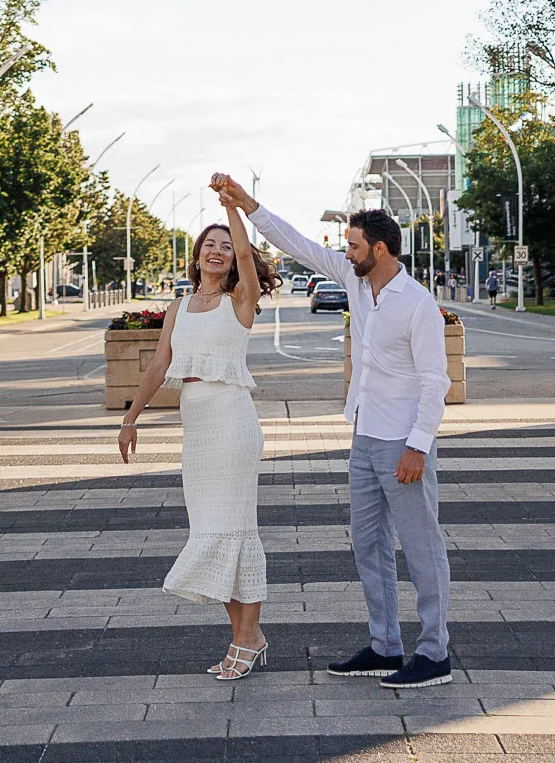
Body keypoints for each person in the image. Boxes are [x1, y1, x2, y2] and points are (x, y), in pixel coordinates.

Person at [211, 170, 452, 691]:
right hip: (365, 435)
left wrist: (418, 446)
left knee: (420, 545)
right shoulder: (355, 283)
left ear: (382, 249)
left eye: (354, 246)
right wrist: (248, 204)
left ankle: (435, 651)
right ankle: (386, 647)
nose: (346, 253)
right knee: (368, 545)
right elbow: (294, 242)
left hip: (403, 441)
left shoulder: (417, 303)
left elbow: (437, 380)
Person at [117, 189, 278, 681]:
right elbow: (159, 365)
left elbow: (249, 252)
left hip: (232, 423)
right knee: (213, 531)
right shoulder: (180, 307)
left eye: (225, 246)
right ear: (196, 255)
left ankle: (247, 638)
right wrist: (130, 418)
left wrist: (231, 205)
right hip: (199, 430)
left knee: (235, 529)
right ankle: (247, 637)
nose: (217, 250)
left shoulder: (241, 300)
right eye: (210, 243)